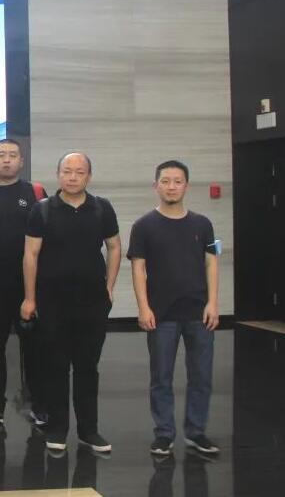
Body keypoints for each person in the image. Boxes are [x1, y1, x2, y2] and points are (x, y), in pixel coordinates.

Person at [21, 152, 121, 454]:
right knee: (56, 366)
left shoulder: (102, 208)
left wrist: (109, 286)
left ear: (89, 176)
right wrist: (30, 297)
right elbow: (30, 255)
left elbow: (114, 247)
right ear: (58, 174)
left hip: (92, 301)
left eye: (79, 172)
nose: (73, 177)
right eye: (67, 171)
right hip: (52, 301)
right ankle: (58, 428)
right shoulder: (42, 210)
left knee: (88, 366)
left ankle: (89, 430)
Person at [128, 160, 220, 456]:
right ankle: (164, 434)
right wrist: (143, 307)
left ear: (186, 186)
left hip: (199, 313)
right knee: (161, 378)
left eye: (177, 181)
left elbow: (212, 263)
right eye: (165, 181)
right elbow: (138, 268)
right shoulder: (143, 226)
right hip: (161, 314)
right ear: (156, 185)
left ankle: (196, 431)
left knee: (202, 376)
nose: (171, 186)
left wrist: (213, 302)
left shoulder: (203, 224)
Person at [0, 139, 49, 427]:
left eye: (12, 155)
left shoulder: (36, 193)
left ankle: (39, 405)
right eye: (1, 155)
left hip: (29, 287)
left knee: (34, 349)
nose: (6, 160)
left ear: (21, 161)